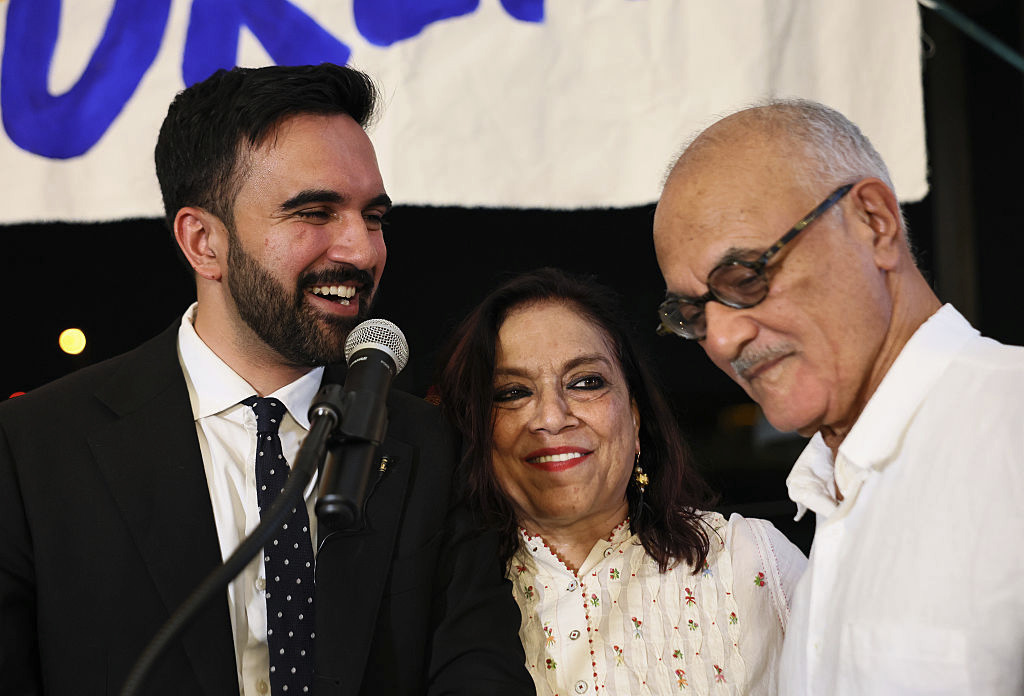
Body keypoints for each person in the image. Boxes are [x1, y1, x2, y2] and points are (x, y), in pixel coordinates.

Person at [0, 64, 531, 695]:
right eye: (315, 212)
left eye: (373, 217)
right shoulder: (33, 449)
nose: (362, 250)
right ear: (203, 242)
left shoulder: (433, 447)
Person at [652, 98, 1024, 694]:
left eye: (746, 278)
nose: (721, 339)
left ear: (874, 222)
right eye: (693, 314)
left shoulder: (1009, 424)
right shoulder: (828, 498)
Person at [437, 267, 806, 695]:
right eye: (513, 392)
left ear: (634, 415)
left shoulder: (749, 560)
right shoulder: (441, 600)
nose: (552, 417)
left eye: (585, 383)